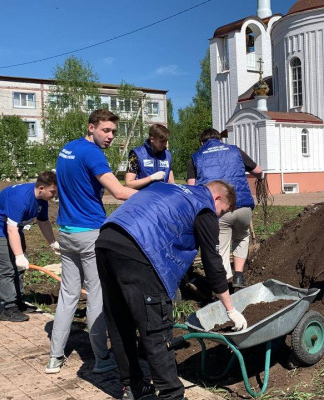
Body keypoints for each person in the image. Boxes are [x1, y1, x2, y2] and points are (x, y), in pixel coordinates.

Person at [95, 180, 247, 400]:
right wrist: (230, 308)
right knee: (155, 326)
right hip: (139, 249)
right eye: (221, 212)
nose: (218, 218)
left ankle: (131, 387)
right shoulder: (204, 208)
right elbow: (213, 263)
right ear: (217, 198)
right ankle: (172, 395)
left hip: (107, 240)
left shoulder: (169, 188)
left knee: (120, 323)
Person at [46, 109, 137, 374]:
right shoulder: (93, 154)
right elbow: (119, 192)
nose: (110, 136)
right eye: (105, 130)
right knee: (96, 295)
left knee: (69, 294)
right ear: (91, 128)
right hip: (89, 233)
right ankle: (101, 359)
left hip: (66, 232)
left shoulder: (67, 149)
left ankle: (55, 357)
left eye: (113, 132)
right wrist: (155, 195)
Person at [187, 128, 263, 288]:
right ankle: (239, 277)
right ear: (220, 140)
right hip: (242, 207)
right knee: (241, 237)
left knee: (220, 247)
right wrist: (259, 178)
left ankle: (224, 284)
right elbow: (258, 171)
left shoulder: (196, 157)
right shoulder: (235, 151)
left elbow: (192, 188)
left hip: (217, 210)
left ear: (202, 143)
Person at [0, 172, 59, 322]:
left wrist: (53, 243)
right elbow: (11, 229)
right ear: (41, 188)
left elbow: (43, 221)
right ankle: (9, 309)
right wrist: (19, 255)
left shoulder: (41, 200)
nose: (55, 195)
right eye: (53, 192)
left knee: (20, 267)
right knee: (7, 269)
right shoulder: (20, 198)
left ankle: (18, 302)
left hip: (12, 230)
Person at [125, 123, 175, 189]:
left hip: (162, 197)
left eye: (166, 141)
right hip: (144, 197)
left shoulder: (167, 155)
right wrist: (151, 178)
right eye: (161, 141)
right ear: (152, 139)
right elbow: (129, 184)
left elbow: (171, 183)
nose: (164, 144)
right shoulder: (136, 154)